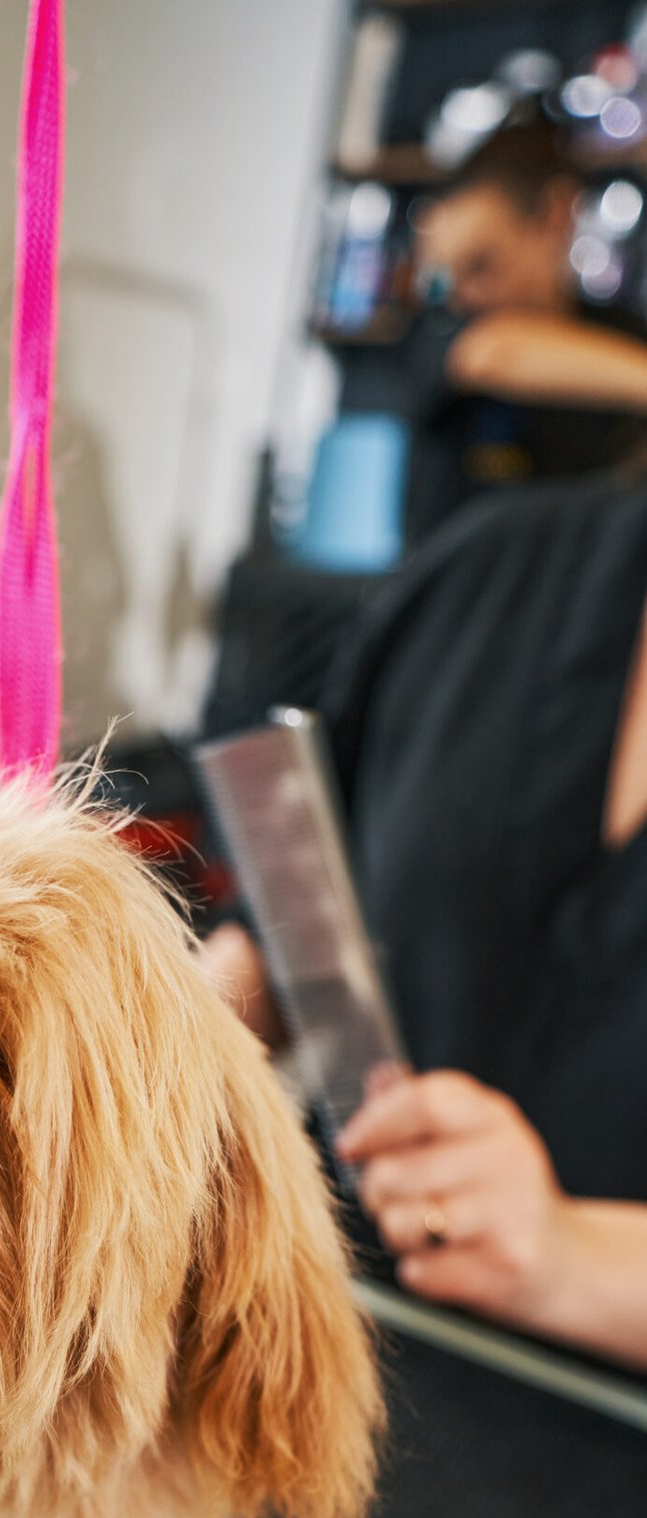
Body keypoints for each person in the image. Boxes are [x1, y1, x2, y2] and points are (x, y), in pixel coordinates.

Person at [203, 476, 647, 1372]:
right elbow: (299, 907)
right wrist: (164, 1035)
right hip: (319, 1342)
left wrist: (570, 1259)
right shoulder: (489, 567)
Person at [402, 123, 647, 544]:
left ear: (555, 214)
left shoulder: (624, 338)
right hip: (469, 600)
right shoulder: (442, 336)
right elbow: (494, 353)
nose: (463, 296)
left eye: (481, 265)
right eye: (446, 276)